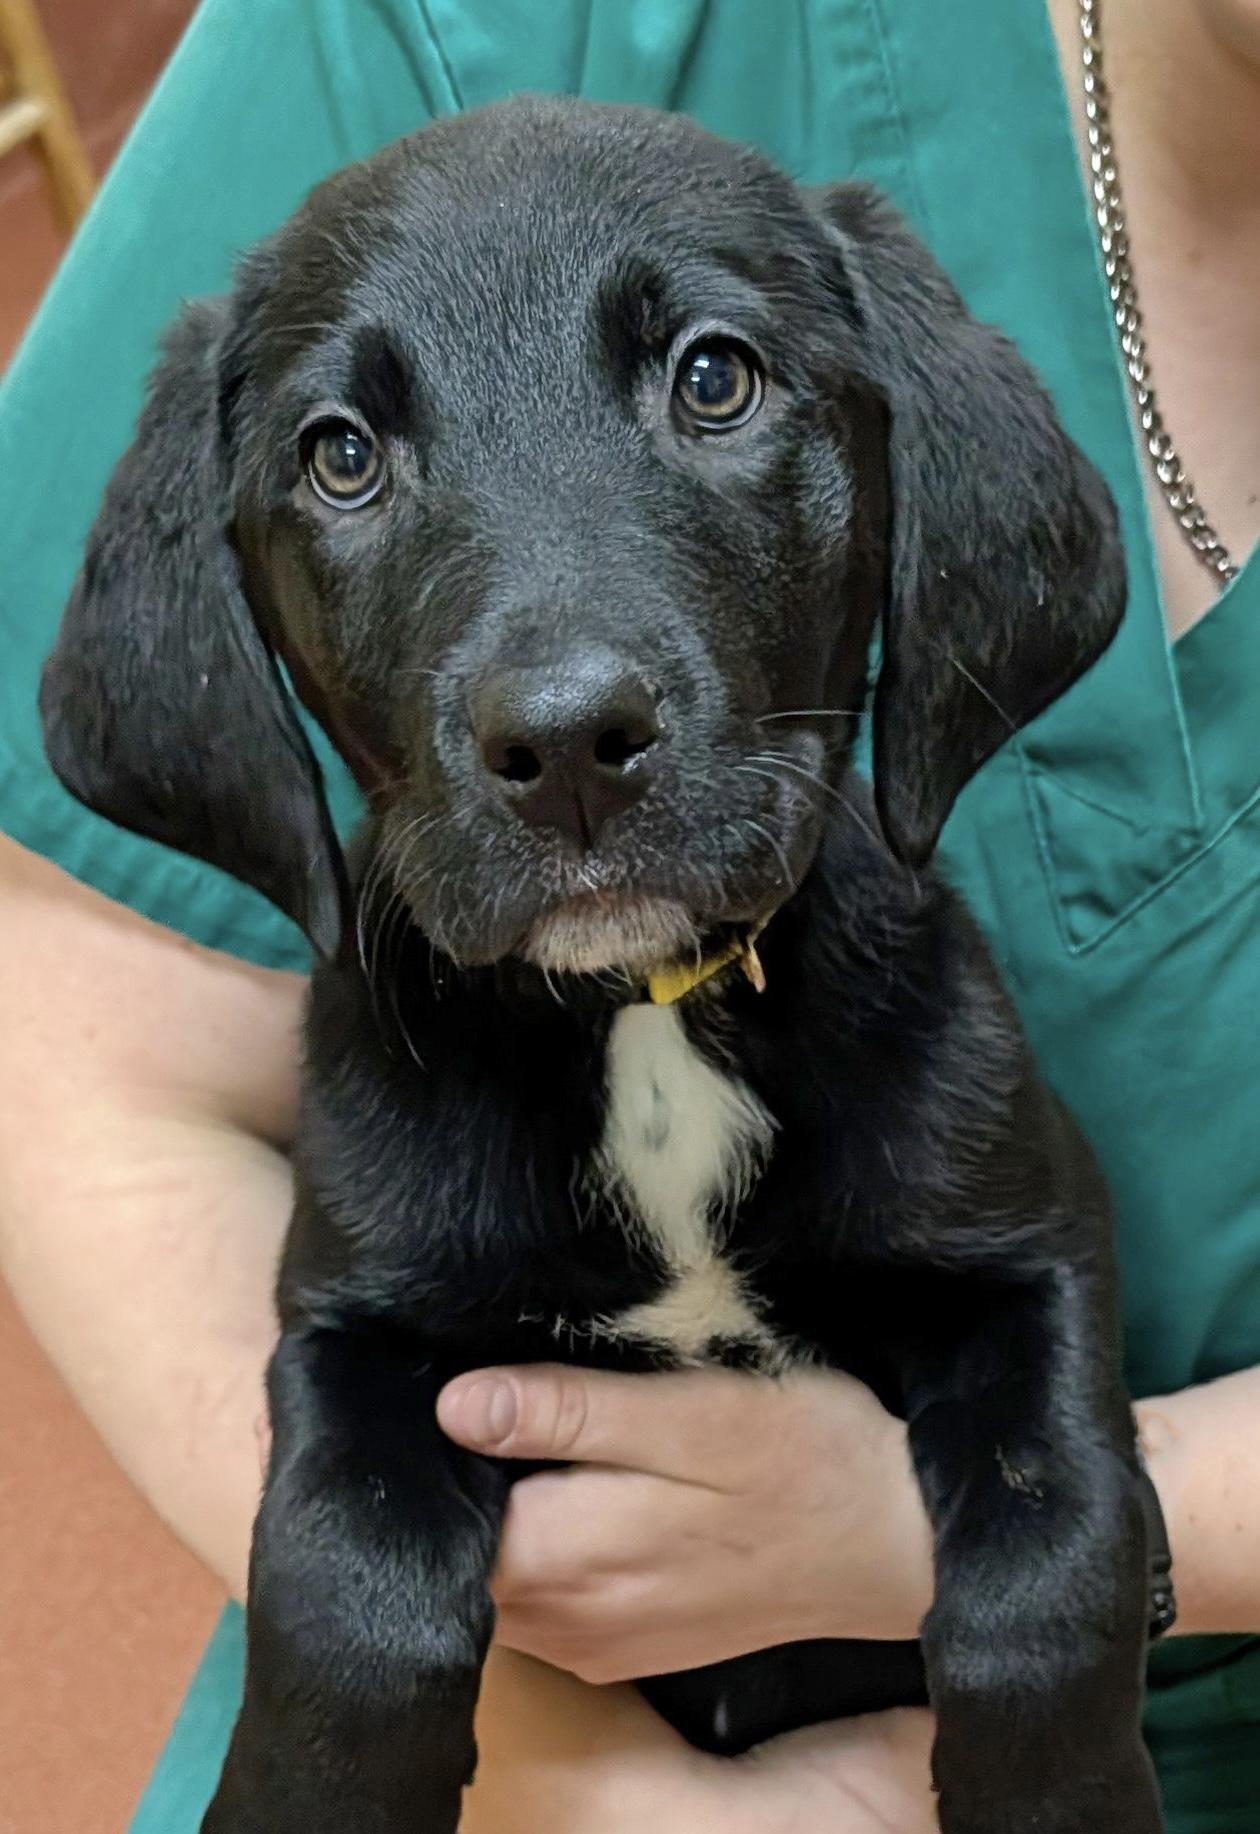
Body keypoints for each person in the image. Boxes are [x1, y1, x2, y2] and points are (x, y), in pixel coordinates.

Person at [0, 0, 1257, 1827]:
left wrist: (1016, 1598)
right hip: (513, 1741)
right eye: (347, 457)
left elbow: (1014, 1289)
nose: (563, 696)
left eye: (714, 383)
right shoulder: (447, 31)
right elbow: (79, 1050)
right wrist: (601, 1788)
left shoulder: (925, 1058)